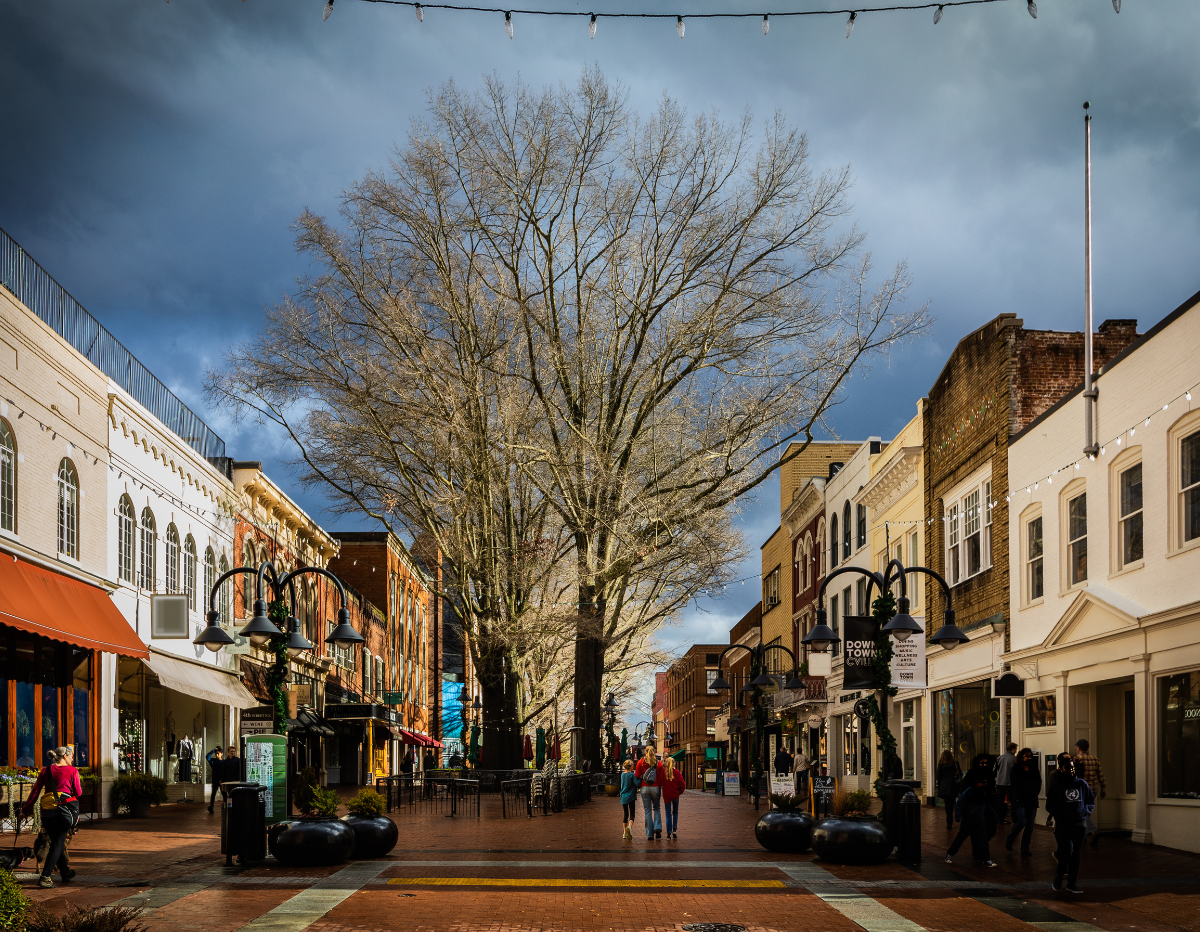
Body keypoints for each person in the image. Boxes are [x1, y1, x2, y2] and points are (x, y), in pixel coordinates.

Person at [22, 746, 81, 889]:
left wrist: (25, 810)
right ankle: (45, 876)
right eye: (71, 756)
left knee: (56, 842)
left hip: (46, 813)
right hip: (63, 813)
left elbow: (35, 792)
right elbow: (78, 792)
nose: (73, 759)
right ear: (65, 757)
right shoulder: (72, 771)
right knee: (58, 843)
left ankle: (65, 872)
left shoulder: (45, 771)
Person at [1046, 752, 1094, 894]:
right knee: (1066, 851)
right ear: (1061, 769)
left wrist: (1084, 811)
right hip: (1063, 824)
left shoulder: (1082, 784)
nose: (1072, 770)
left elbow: (1090, 800)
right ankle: (1059, 876)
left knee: (1076, 854)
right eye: (1068, 768)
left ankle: (1072, 882)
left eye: (1073, 768)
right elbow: (1049, 805)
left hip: (1079, 824)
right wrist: (1060, 813)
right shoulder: (1056, 785)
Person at [945, 762, 997, 867]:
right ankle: (950, 854)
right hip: (968, 820)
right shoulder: (969, 791)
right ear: (977, 783)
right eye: (983, 782)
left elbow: (987, 805)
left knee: (983, 840)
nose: (985, 784)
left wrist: (995, 816)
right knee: (961, 838)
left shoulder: (984, 792)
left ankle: (986, 859)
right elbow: (960, 803)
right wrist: (958, 816)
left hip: (979, 820)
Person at [1005, 748, 1041, 856]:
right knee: (1022, 822)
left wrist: (1035, 793)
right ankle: (1010, 838)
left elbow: (1038, 782)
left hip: (1032, 800)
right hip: (1020, 799)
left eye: (1030, 756)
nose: (1028, 758)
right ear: (1021, 757)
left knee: (1030, 826)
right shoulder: (1015, 769)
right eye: (1026, 756)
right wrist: (1015, 798)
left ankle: (1025, 848)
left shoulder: (1034, 769)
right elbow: (1014, 785)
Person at [1073, 738, 1105, 850]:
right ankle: (1084, 835)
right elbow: (1100, 775)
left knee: (1082, 812)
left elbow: (1074, 776)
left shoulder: (1077, 759)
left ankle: (1093, 830)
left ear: (1079, 748)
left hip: (1082, 789)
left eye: (1077, 747)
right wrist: (1103, 788)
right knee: (1087, 812)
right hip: (1094, 789)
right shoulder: (1095, 759)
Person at [634, 746, 665, 840]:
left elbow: (637, 775)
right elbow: (662, 775)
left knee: (647, 810)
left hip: (644, 787)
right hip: (656, 787)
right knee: (657, 808)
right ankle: (658, 828)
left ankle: (650, 834)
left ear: (646, 752)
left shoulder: (641, 762)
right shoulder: (658, 763)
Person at [935, 749, 963, 830]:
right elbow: (960, 773)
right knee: (952, 801)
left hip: (944, 787)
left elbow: (938, 777)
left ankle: (949, 821)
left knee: (947, 805)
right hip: (953, 785)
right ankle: (954, 816)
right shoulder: (955, 763)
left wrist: (939, 787)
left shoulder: (941, 765)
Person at [662, 756, 686, 840]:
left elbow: (660, 781)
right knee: (675, 812)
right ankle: (674, 830)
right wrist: (680, 792)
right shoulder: (677, 772)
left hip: (667, 796)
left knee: (668, 814)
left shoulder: (663, 772)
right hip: (675, 795)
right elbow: (682, 783)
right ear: (674, 764)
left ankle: (669, 833)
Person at [994, 742, 1017, 823]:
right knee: (1014, 802)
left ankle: (1000, 818)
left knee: (1000, 802)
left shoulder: (999, 758)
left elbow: (995, 770)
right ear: (1013, 749)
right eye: (1015, 749)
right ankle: (1014, 818)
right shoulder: (1014, 759)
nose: (1016, 751)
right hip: (1010, 783)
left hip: (1000, 782)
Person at [619, 759, 638, 840]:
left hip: (623, 796)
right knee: (632, 814)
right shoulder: (632, 775)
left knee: (625, 814)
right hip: (631, 796)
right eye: (633, 765)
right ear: (631, 767)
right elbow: (637, 783)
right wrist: (640, 779)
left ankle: (624, 833)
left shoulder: (622, 775)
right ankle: (629, 827)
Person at [206, 745, 224, 814]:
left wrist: (222, 779)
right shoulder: (213, 761)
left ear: (221, 754)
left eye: (218, 753)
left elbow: (225, 772)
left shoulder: (224, 762)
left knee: (224, 794)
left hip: (222, 781)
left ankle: (226, 807)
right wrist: (214, 750)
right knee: (213, 794)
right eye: (216, 753)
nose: (217, 755)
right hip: (215, 780)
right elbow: (207, 756)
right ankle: (212, 807)